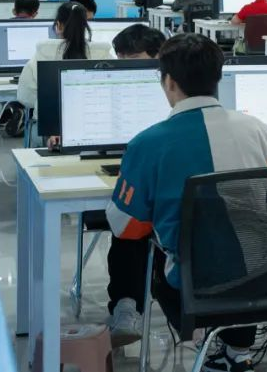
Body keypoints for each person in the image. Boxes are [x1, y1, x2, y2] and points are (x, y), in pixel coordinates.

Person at [106, 34, 267, 372]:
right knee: (243, 241)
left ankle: (132, 309)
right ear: (218, 78)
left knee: (142, 244)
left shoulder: (147, 144)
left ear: (168, 82)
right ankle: (235, 351)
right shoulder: (259, 131)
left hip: (193, 288)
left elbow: (125, 227)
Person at [92, 23, 167, 344]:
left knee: (136, 221)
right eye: (120, 58)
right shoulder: (111, 87)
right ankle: (127, 304)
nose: (125, 66)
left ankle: (131, 304)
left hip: (171, 186)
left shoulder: (177, 89)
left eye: (133, 58)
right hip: (133, 169)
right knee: (132, 220)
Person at [17, 1, 112, 111]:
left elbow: (25, 98)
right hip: (94, 117)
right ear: (85, 26)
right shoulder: (103, 54)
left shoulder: (41, 54)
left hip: (50, 119)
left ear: (58, 25)